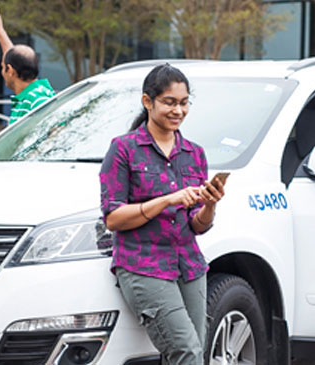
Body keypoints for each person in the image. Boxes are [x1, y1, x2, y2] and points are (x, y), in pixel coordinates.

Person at [98, 64, 225, 365]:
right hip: (142, 264)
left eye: (183, 103)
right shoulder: (124, 149)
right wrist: (167, 200)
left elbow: (197, 226)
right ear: (148, 101)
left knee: (194, 350)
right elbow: (113, 218)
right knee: (186, 350)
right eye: (169, 102)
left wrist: (210, 204)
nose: (178, 110)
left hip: (189, 266)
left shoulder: (194, 154)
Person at [0, 0, 55, 124]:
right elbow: (13, 56)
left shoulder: (39, 100)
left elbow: (56, 133)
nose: (2, 72)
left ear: (10, 71)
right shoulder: (32, 96)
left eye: (2, 67)